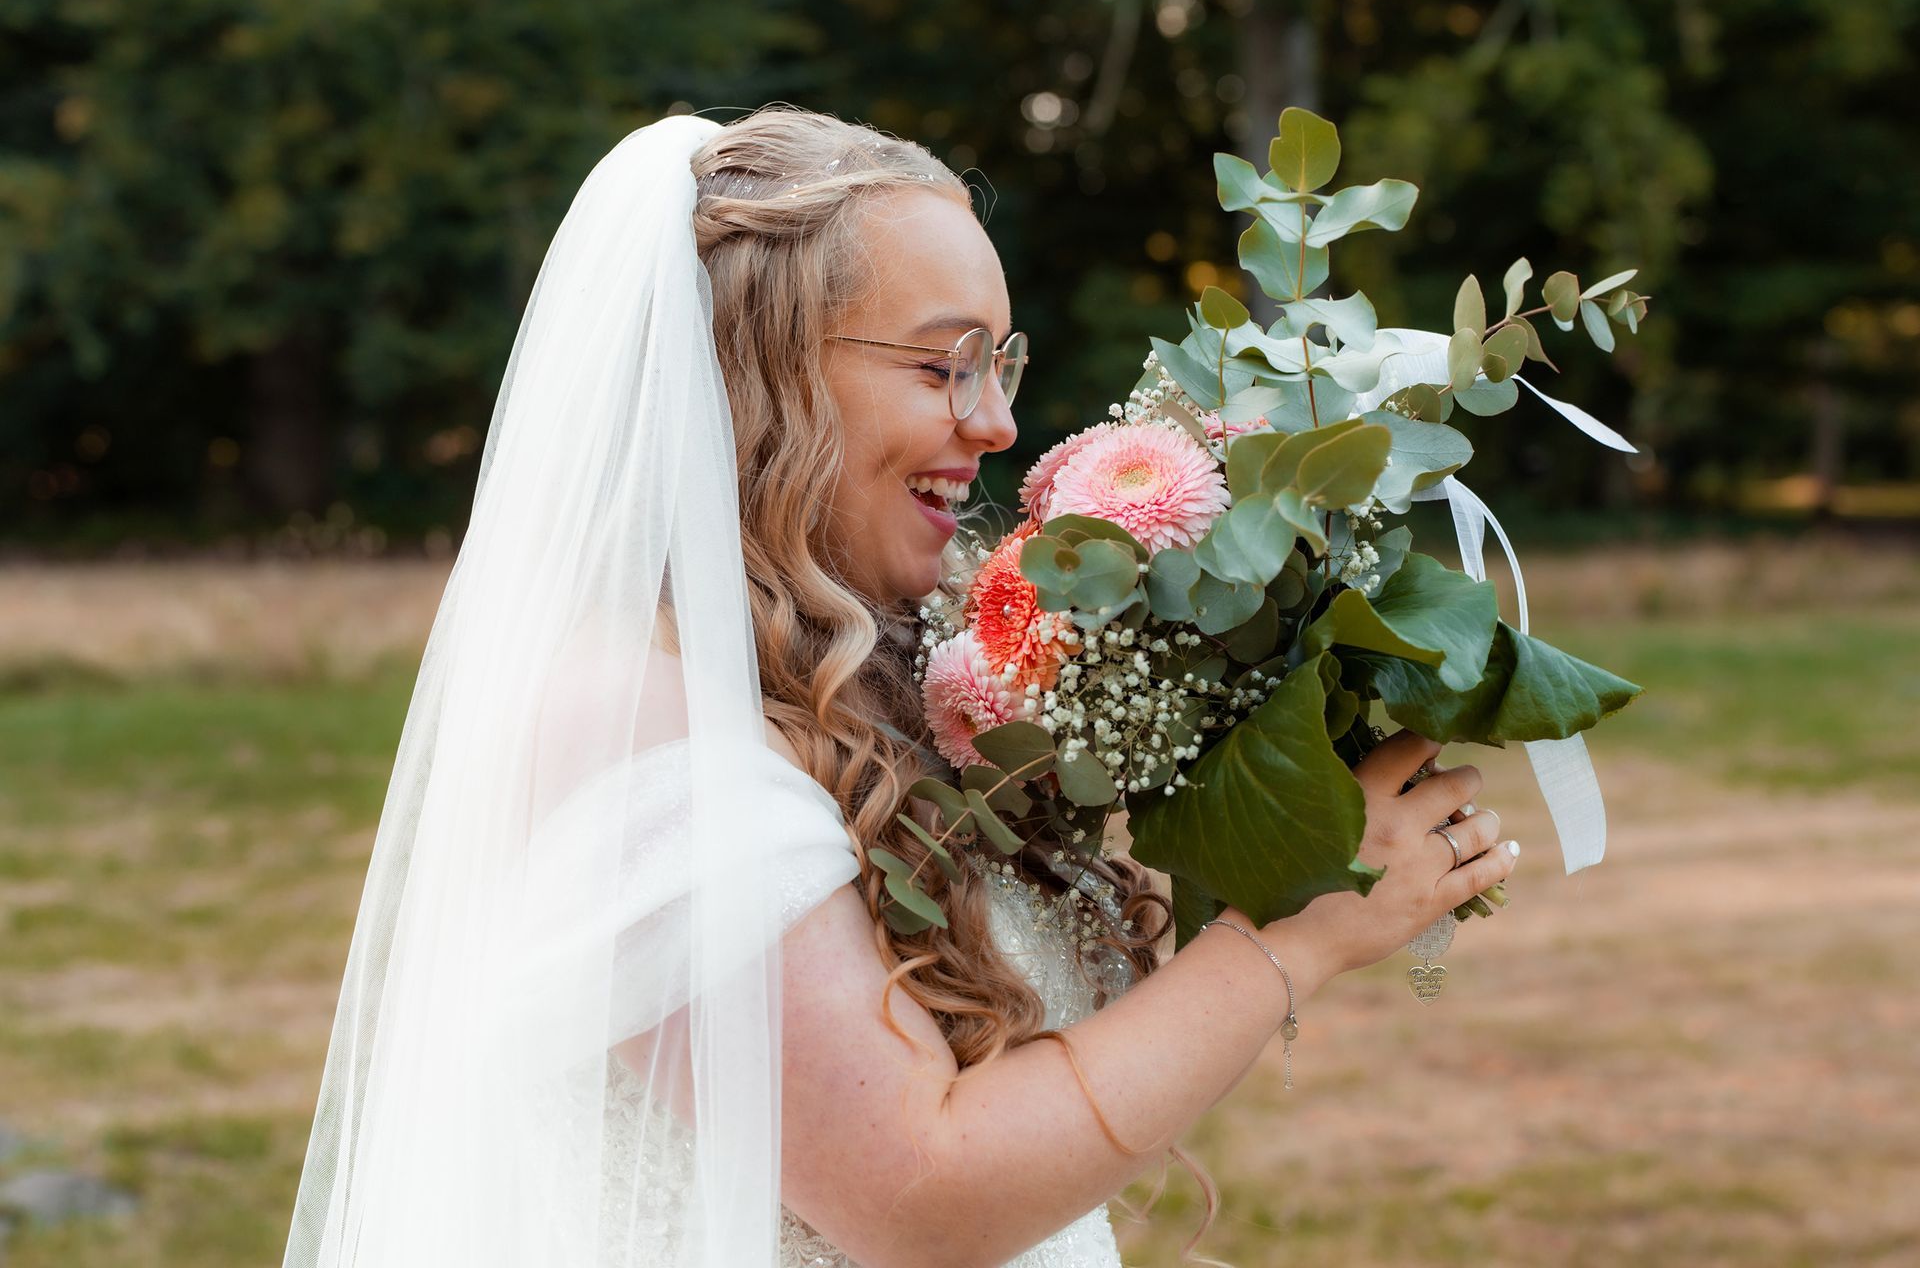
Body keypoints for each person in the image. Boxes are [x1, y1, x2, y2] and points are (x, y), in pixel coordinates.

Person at [282, 107, 1518, 1268]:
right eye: (945, 366)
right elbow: (919, 1188)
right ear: (754, 374)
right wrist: (1299, 942)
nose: (994, 425)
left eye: (1002, 362)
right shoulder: (631, 717)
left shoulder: (873, 671)